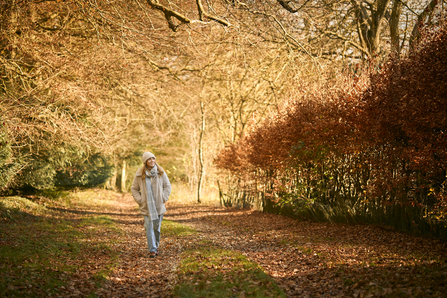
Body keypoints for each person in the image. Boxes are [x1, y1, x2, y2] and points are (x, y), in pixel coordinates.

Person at [131, 152, 171, 258]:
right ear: (145, 162)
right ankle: (152, 250)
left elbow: (167, 186)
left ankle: (156, 246)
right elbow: (134, 189)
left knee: (156, 228)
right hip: (146, 206)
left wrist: (164, 197)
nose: (152, 160)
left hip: (158, 206)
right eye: (149, 159)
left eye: (153, 158)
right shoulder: (140, 174)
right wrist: (140, 200)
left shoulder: (161, 172)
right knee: (149, 227)